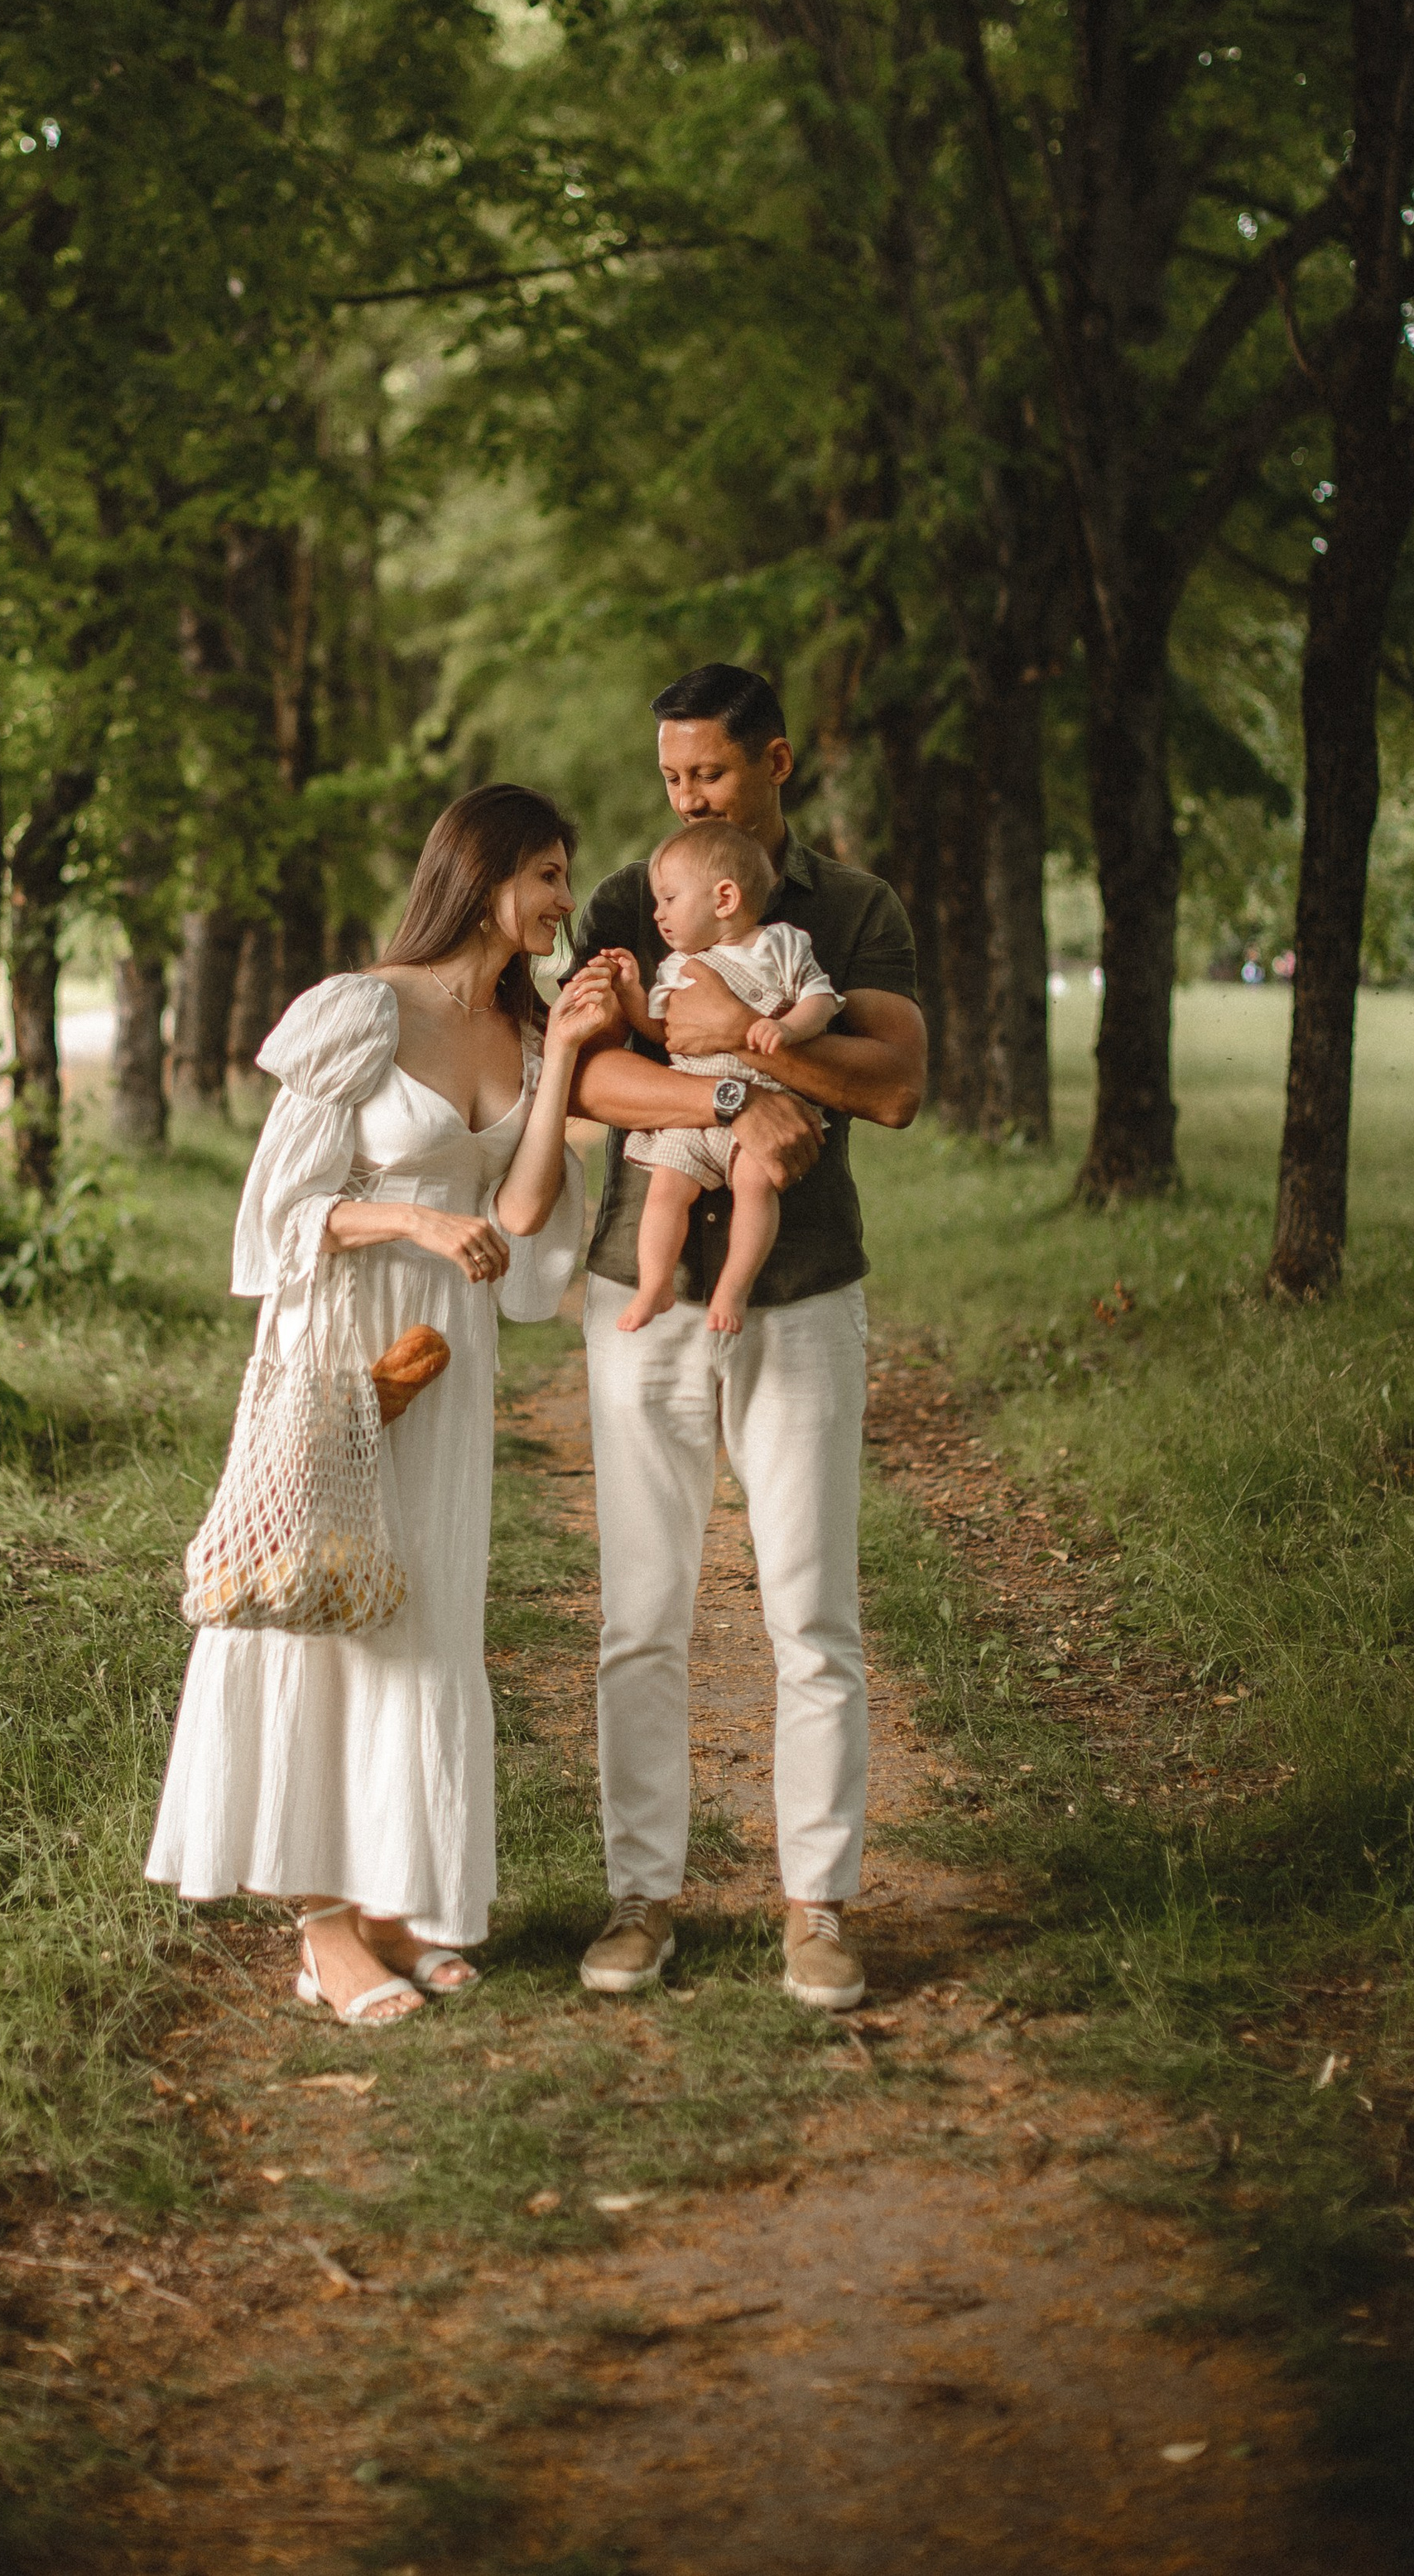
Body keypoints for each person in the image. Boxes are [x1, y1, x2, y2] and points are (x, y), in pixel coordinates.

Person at [146, 786, 622, 2026]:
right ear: (483, 875)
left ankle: (403, 1897)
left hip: (446, 1350)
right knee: (321, 1601)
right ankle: (321, 1924)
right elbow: (272, 1221)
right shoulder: (361, 1009)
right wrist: (412, 1213)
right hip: (338, 1335)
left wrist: (563, 1054)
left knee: (423, 1611)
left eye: (567, 878)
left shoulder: (521, 1031)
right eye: (550, 874)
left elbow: (518, 1219)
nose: (564, 901)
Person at [563, 668, 926, 2013]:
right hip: (638, 1295)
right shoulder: (627, 901)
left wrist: (776, 1064)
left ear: (775, 760)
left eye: (708, 777)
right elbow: (586, 1069)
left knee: (811, 1615)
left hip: (807, 1288)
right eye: (671, 779)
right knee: (640, 1613)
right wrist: (726, 1089)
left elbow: (896, 1083)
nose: (686, 800)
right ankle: (639, 1897)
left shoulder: (857, 910)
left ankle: (816, 1907)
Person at [599, 818, 839, 1336]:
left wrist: (785, 1029)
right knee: (665, 1189)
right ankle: (655, 1284)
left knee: (756, 1186)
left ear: (724, 898)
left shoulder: (780, 946)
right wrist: (630, 993)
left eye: (668, 899)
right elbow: (662, 1033)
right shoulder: (677, 965)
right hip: (691, 1105)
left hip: (771, 1104)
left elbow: (821, 999)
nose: (658, 914)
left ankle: (734, 1286)